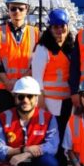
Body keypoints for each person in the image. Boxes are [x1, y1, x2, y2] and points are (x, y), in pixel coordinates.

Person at [0, 0, 38, 114]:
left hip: (27, 89)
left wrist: (18, 82)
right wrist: (8, 83)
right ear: (8, 9)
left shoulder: (36, 34)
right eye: (13, 8)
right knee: (6, 126)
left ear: (27, 9)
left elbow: (38, 63)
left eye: (21, 9)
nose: (17, 12)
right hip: (5, 90)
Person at [31, 8, 74, 139]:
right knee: (52, 137)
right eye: (56, 27)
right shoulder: (42, 48)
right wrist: (41, 104)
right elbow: (37, 78)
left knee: (66, 136)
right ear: (50, 28)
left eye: (62, 26)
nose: (60, 31)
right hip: (50, 104)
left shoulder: (71, 47)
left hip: (68, 102)